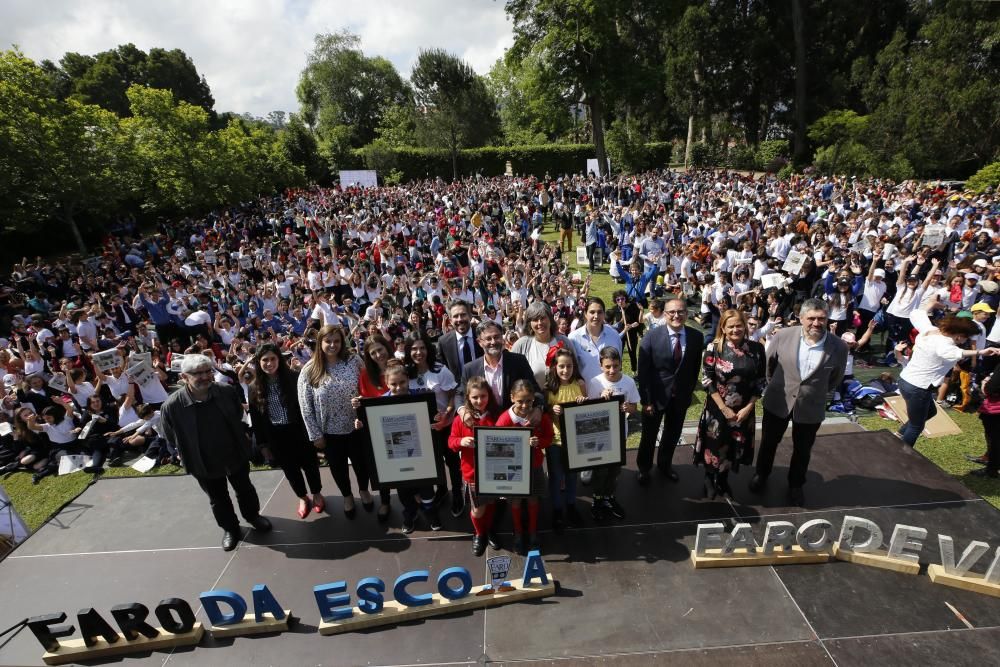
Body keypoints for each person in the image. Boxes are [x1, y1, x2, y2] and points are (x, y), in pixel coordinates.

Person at [161, 354, 272, 551]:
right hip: (203, 461)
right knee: (218, 498)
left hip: (234, 454)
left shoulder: (226, 391)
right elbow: (170, 436)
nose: (205, 376)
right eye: (198, 373)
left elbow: (238, 414)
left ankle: (253, 516)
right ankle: (230, 529)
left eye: (207, 371)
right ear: (184, 377)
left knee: (245, 489)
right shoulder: (172, 406)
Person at [750, 298, 849, 506]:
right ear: (801, 318)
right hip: (778, 400)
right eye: (811, 318)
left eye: (821, 318)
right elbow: (769, 365)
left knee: (803, 449)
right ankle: (761, 474)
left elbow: (835, 378)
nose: (816, 323)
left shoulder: (839, 346)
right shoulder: (783, 336)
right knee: (768, 442)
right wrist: (776, 387)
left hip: (811, 406)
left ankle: (796, 485)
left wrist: (813, 392)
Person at [896, 297, 998, 446]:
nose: (966, 342)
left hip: (906, 381)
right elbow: (956, 353)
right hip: (918, 387)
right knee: (917, 425)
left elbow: (918, 314)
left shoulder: (931, 330)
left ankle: (898, 435)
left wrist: (931, 304)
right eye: (966, 338)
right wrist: (982, 352)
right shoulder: (945, 344)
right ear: (959, 335)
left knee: (930, 412)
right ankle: (902, 454)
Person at [297, 325, 375, 520]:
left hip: (356, 426)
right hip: (329, 432)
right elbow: (306, 407)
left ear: (342, 342)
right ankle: (347, 496)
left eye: (337, 341)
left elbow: (367, 386)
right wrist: (315, 436)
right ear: (320, 343)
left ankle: (364, 490)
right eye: (328, 341)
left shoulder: (353, 360)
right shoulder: (309, 370)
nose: (332, 345)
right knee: (338, 468)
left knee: (361, 463)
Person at [355, 360, 441, 533]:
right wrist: (361, 423)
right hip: (396, 460)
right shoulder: (378, 404)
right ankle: (410, 515)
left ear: (408, 379)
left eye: (402, 382)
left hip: (421, 455)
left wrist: (436, 417)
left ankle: (431, 514)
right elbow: (373, 428)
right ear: (386, 383)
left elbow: (433, 420)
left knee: (427, 492)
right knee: (404, 493)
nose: (398, 387)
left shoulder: (421, 396)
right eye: (393, 384)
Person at [694, 310, 766, 500]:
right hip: (718, 409)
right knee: (715, 444)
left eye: (739, 325)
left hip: (743, 411)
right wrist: (724, 408)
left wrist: (748, 407)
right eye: (731, 326)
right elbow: (707, 380)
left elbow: (760, 382)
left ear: (745, 326)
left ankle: (723, 480)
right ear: (723, 328)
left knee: (734, 445)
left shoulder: (757, 349)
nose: (736, 329)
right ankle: (709, 479)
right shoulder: (714, 348)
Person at [249, 343, 323, 520]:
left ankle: (317, 494)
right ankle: (303, 497)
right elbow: (256, 419)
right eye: (264, 360)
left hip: (299, 431)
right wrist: (262, 444)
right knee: (291, 470)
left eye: (273, 359)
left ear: (279, 360)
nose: (269, 363)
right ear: (259, 362)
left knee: (310, 464)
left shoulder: (295, 378)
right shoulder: (254, 387)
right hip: (276, 436)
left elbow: (309, 406)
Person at [635, 297, 705, 484]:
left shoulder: (696, 337)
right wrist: (646, 400)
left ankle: (665, 465)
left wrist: (688, 393)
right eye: (672, 312)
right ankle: (644, 468)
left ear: (687, 313)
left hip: (680, 397)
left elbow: (694, 368)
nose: (676, 315)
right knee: (649, 436)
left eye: (681, 311)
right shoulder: (651, 336)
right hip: (655, 398)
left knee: (672, 434)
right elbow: (644, 372)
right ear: (665, 314)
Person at [404, 330, 462, 517]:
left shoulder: (440, 370)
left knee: (452, 462)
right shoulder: (407, 373)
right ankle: (442, 490)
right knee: (433, 463)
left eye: (422, 348)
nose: (418, 352)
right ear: (408, 351)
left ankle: (458, 494)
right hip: (420, 429)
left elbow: (454, 395)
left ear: (428, 349)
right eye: (414, 349)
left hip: (445, 426)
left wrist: (446, 415)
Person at [495, 379, 553, 554]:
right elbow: (497, 446)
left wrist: (538, 442)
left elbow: (548, 438)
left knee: (533, 498)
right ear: (512, 398)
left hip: (534, 465)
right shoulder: (505, 419)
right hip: (514, 470)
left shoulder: (540, 417)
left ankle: (533, 531)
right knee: (516, 501)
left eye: (529, 400)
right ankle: (519, 532)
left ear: (534, 399)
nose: (525, 405)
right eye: (520, 401)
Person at [586, 347, 638, 521]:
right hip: (600, 436)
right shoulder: (594, 383)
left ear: (621, 364)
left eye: (615, 366)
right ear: (601, 365)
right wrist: (601, 398)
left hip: (619, 434)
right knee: (600, 470)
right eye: (607, 366)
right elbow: (588, 411)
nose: (612, 370)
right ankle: (597, 499)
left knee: (614, 470)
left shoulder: (629, 382)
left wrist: (627, 408)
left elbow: (634, 407)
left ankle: (609, 497)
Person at [448, 376, 498, 556]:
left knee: (491, 503)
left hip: (492, 472)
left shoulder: (494, 417)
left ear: (488, 396)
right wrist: (461, 441)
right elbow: (451, 442)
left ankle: (490, 529)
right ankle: (480, 533)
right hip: (473, 473)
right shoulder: (460, 420)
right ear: (468, 397)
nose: (479, 401)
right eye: (475, 397)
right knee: (477, 510)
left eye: (483, 396)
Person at [544, 345, 587, 530]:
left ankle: (571, 506)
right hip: (555, 440)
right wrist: (550, 410)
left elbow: (586, 411)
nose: (565, 370)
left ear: (573, 367)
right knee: (555, 476)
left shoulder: (579, 385)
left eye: (569, 366)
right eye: (561, 366)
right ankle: (557, 510)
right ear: (555, 366)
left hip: (575, 440)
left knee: (572, 476)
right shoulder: (549, 389)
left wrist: (583, 402)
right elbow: (542, 413)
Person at [510, 301, 572, 387]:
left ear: (550, 319)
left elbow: (575, 371)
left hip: (562, 398)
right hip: (533, 399)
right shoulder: (521, 345)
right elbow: (512, 375)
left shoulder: (565, 342)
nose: (539, 323)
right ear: (529, 323)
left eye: (543, 318)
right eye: (535, 320)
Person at [437, 300, 482, 408]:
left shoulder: (483, 336)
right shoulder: (443, 342)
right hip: (458, 398)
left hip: (484, 394)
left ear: (470, 316)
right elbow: (441, 370)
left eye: (463, 315)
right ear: (450, 320)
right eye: (455, 316)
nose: (460, 319)